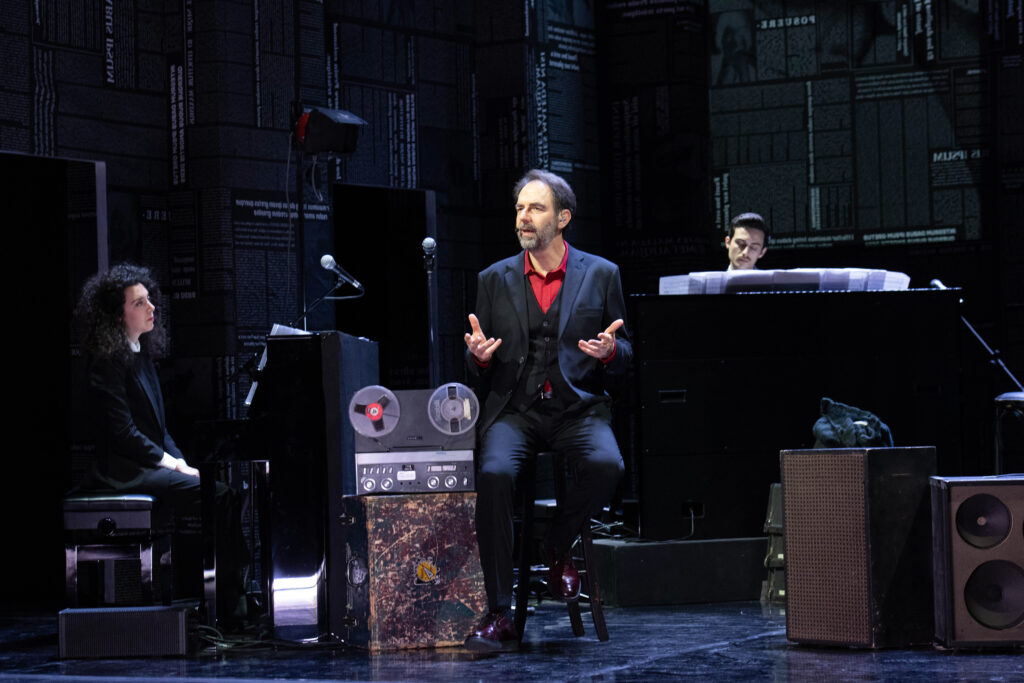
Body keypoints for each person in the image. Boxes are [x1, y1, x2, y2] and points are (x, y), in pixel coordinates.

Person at [463, 170, 631, 651]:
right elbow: (476, 362)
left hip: (577, 409)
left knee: (608, 464)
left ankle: (556, 542)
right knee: (494, 475)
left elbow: (627, 355)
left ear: (562, 218)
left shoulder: (601, 274)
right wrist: (478, 357)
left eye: (535, 208)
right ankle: (499, 613)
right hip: (515, 409)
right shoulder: (493, 279)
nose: (524, 216)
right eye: (519, 208)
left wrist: (610, 353)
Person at [74, 264, 244, 620]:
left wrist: (182, 464)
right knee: (219, 495)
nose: (151, 307)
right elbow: (123, 434)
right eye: (139, 303)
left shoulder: (140, 356)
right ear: (117, 315)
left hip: (145, 465)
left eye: (149, 299)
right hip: (122, 472)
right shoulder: (107, 363)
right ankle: (228, 601)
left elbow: (159, 429)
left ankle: (232, 593)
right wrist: (173, 464)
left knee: (223, 492)